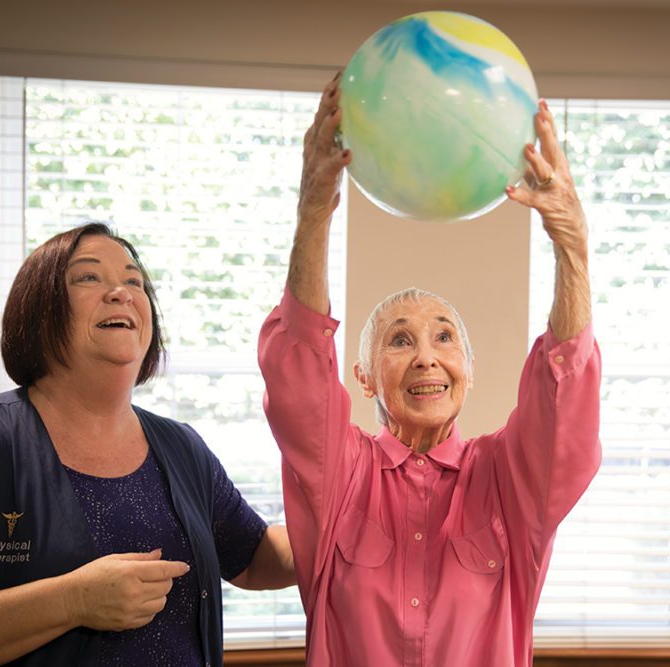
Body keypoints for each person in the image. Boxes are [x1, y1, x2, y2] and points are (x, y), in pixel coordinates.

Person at [258, 73, 602, 666]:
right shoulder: (341, 474)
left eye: (444, 337)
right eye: (399, 340)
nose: (425, 355)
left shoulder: (506, 477)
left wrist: (571, 241)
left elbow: (565, 399)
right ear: (363, 376)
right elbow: (300, 372)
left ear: (468, 368)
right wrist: (313, 211)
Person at [0, 223, 295, 666]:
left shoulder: (183, 448)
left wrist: (362, 525)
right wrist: (71, 601)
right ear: (39, 309)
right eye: (88, 277)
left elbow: (255, 557)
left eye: (134, 281)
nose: (121, 292)